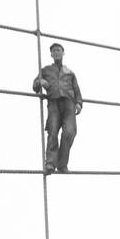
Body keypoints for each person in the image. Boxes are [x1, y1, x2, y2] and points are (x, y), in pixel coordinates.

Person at [32, 42, 83, 174]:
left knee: (70, 132)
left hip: (69, 104)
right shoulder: (46, 70)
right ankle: (50, 163)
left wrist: (79, 103)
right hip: (54, 102)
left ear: (63, 53)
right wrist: (40, 82)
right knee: (53, 132)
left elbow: (76, 89)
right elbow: (35, 85)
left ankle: (62, 164)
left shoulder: (69, 72)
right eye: (54, 51)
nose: (56, 52)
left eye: (58, 50)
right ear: (51, 54)